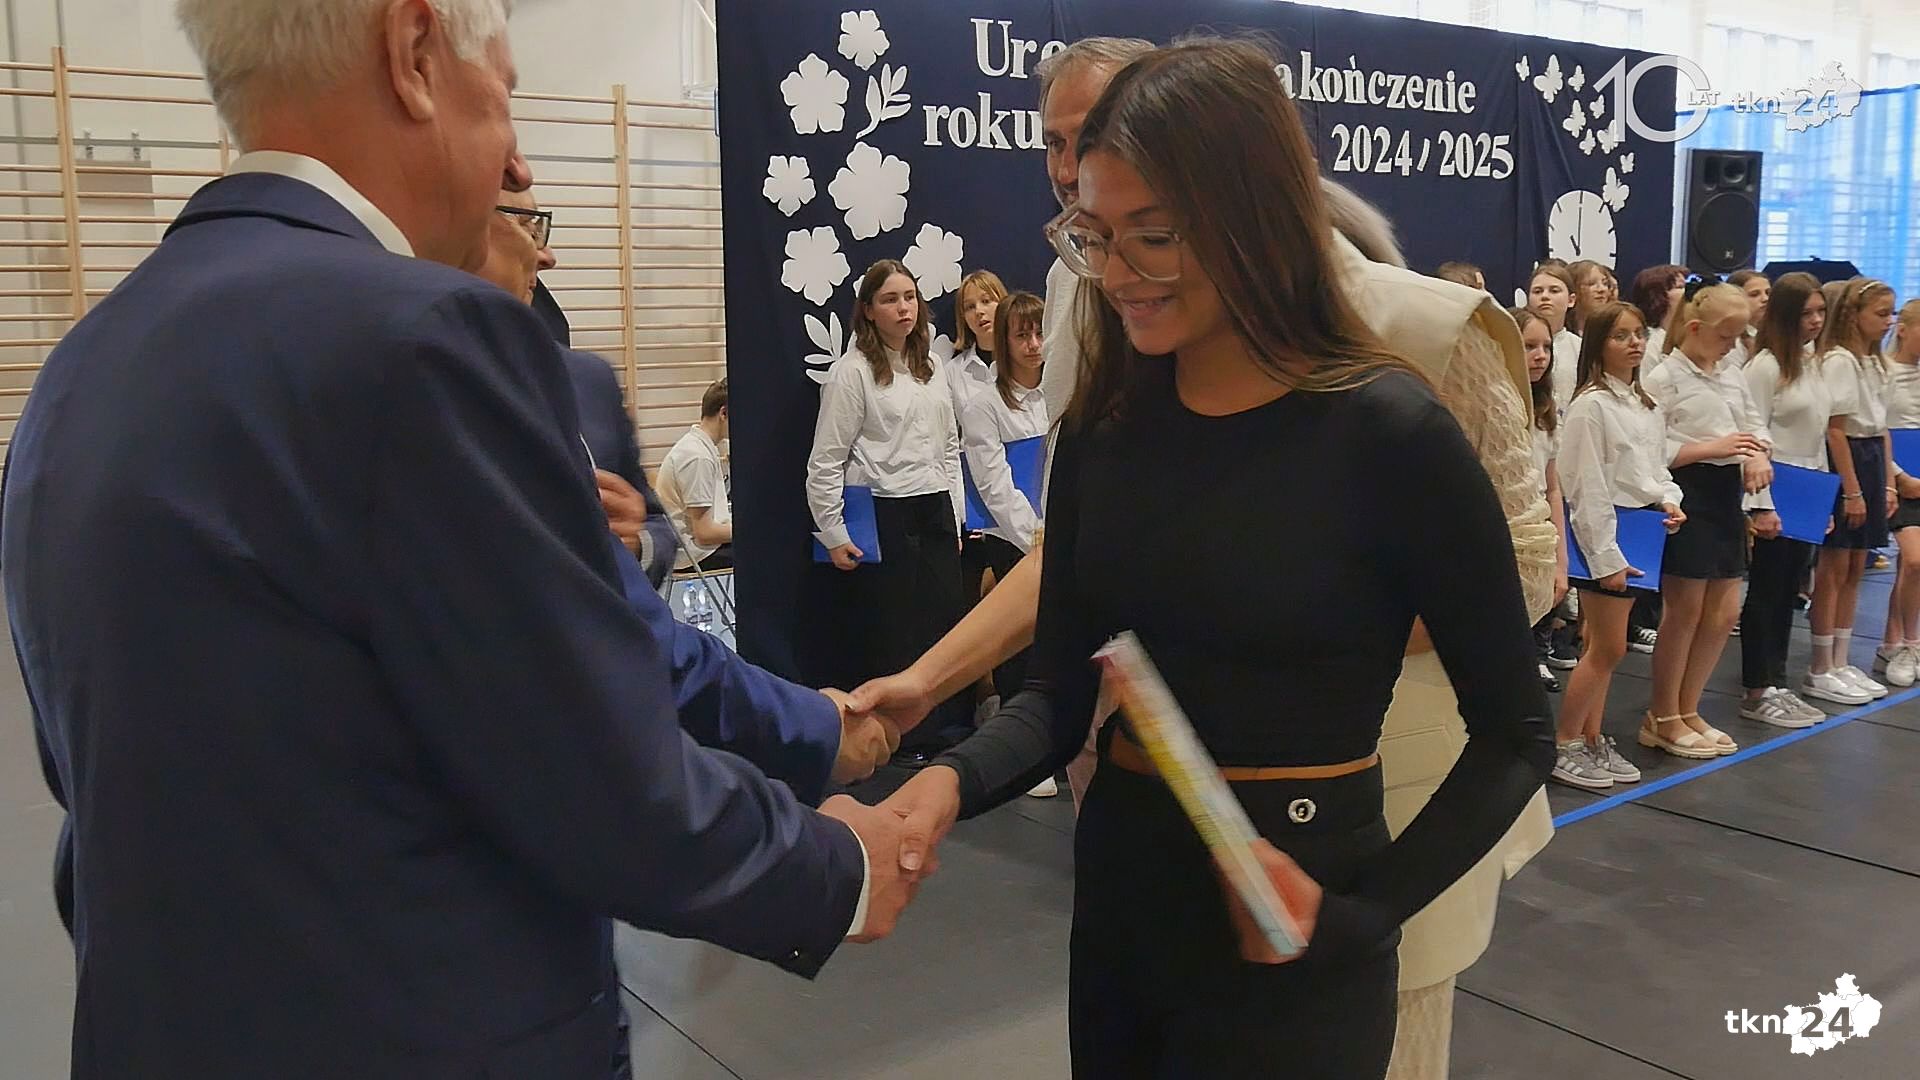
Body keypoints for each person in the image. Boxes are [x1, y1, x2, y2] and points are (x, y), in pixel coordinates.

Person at [2, 3, 919, 1074]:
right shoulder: (422, 338)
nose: (517, 160)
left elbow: (99, 793)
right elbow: (600, 772)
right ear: (414, 54)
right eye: (506, 96)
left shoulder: (78, 368)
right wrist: (839, 864)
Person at [856, 35, 1556, 1080]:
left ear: (1254, 218)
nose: (1115, 275)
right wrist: (945, 786)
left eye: (1154, 237)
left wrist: (1361, 915)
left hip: (1306, 906)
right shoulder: (1106, 428)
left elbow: (1515, 734)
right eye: (1096, 236)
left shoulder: (1391, 432)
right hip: (1127, 898)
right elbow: (1056, 695)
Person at [471, 193, 890, 793]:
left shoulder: (587, 385)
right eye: (526, 225)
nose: (548, 255)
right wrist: (814, 728)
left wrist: (634, 544)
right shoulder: (431, 391)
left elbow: (657, 531)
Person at [808, 259, 973, 762]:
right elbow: (826, 459)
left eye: (909, 297)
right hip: (883, 510)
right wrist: (833, 530)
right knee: (895, 628)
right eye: (890, 300)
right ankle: (901, 738)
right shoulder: (852, 372)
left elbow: (949, 447)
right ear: (868, 310)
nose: (904, 308)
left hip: (934, 506)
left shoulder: (932, 367)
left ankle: (948, 729)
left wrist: (956, 513)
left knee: (944, 622)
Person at [1555, 302, 1685, 787]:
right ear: (1598, 345)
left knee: (1605, 646)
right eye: (1620, 336)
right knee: (1607, 647)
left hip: (1639, 530)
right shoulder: (1591, 406)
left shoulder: (1643, 404)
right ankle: (1565, 742)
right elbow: (1584, 485)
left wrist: (1669, 499)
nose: (1634, 343)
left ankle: (1591, 737)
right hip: (1607, 534)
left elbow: (1654, 468)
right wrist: (1605, 557)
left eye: (1638, 335)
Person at [1640, 283, 1773, 757]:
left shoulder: (1731, 374)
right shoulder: (1663, 377)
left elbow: (1755, 426)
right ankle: (1662, 714)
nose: (1731, 346)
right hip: (1686, 491)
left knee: (1724, 612)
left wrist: (1757, 454)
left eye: (1737, 338)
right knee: (1685, 611)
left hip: (1725, 494)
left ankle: (1688, 707)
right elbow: (1650, 447)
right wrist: (1711, 448)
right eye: (1724, 337)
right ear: (1694, 328)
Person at [1739, 273, 1835, 725]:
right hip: (1775, 488)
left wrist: (1824, 502)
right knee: (1766, 590)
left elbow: (1816, 436)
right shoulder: (1764, 367)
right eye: (1806, 313)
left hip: (1806, 487)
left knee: (1788, 591)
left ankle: (1777, 681)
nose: (1815, 321)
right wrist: (1761, 505)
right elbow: (1752, 435)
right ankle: (1757, 688)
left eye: (1820, 312)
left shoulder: (1810, 361)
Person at [961, 291, 1050, 778]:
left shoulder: (1060, 389)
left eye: (1040, 333)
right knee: (1021, 646)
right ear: (1004, 341)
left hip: (1058, 532)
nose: (1034, 344)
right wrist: (1035, 535)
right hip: (1013, 537)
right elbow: (994, 485)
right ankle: (1024, 760)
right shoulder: (984, 405)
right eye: (1022, 336)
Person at [1806, 278, 1900, 704]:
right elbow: (1836, 430)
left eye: (1891, 313)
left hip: (1872, 456)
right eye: (1880, 313)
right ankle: (1821, 664)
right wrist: (1852, 490)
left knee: (1856, 566)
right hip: (1849, 460)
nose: (1888, 321)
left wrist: (1888, 482)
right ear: (1853, 315)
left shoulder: (1874, 361)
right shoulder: (1839, 360)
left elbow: (1882, 428)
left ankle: (1842, 660)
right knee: (1834, 567)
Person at [1514, 307, 1572, 694]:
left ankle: (1537, 656)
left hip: (1538, 531)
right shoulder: (1494, 407)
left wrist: (1560, 560)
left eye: (1546, 347)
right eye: (1529, 346)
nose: (1540, 356)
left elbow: (1553, 488)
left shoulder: (1546, 411)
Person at [1877, 299, 1920, 685]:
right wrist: (1899, 476)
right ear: (1903, 330)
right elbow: (1875, 429)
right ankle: (1911, 642)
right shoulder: (1884, 372)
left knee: (1911, 567)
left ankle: (1893, 642)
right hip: (1900, 478)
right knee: (1915, 560)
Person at [659, 379, 735, 571]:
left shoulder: (702, 447)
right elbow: (705, 534)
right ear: (723, 413)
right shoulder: (697, 456)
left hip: (699, 547)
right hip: (693, 553)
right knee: (765, 548)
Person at [1532, 262, 1580, 412]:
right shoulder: (1516, 343)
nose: (1545, 296)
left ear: (1571, 300)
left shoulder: (1581, 347)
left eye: (1554, 290)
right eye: (1537, 291)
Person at [1728, 269, 1770, 368]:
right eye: (1754, 294)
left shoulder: (1775, 333)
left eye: (1768, 293)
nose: (1765, 299)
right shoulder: (1732, 341)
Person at [1566, 259, 1611, 337]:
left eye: (1605, 283)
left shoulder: (1614, 325)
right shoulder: (1561, 329)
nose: (1602, 289)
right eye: (1591, 283)